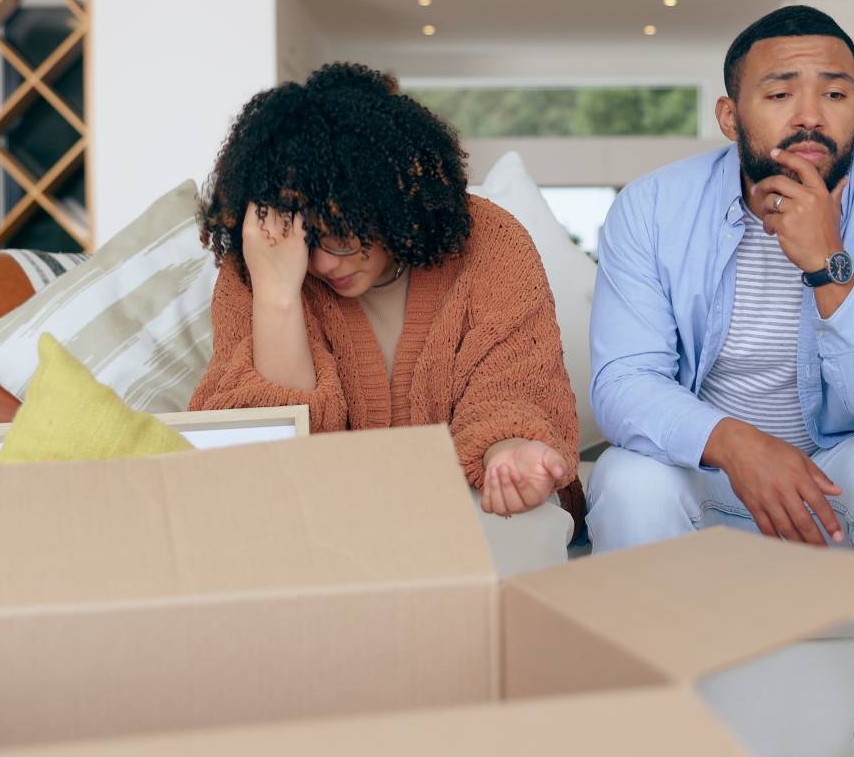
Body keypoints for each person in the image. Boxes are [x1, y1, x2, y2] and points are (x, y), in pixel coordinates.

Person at [584, 6, 854, 756]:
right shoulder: (652, 209)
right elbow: (624, 383)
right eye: (781, 91)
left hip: (832, 470)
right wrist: (735, 442)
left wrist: (828, 265)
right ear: (731, 115)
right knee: (627, 480)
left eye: (836, 91)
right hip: (705, 466)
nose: (812, 115)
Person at [190, 63, 582, 570]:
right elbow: (269, 457)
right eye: (303, 245)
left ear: (392, 198)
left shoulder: (494, 243)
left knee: (513, 529)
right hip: (325, 512)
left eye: (341, 236)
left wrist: (504, 451)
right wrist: (276, 293)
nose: (325, 264)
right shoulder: (259, 265)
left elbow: (509, 388)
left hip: (470, 496)